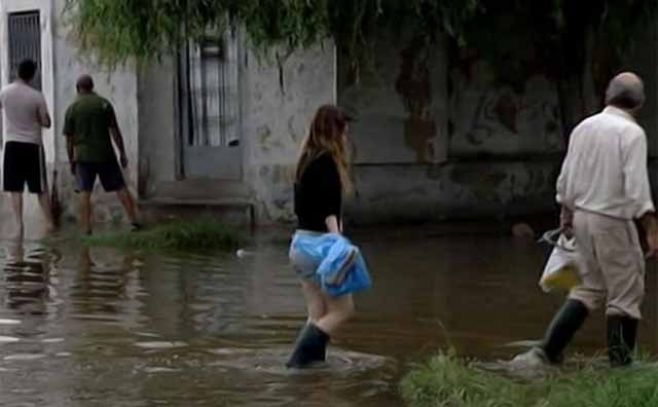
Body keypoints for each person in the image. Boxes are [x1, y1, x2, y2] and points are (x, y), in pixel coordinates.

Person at [512, 72, 658, 368]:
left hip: (582, 218)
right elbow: (636, 186)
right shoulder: (631, 133)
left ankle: (546, 352)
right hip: (612, 220)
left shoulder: (584, 128)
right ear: (639, 102)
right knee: (626, 293)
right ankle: (621, 366)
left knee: (588, 287)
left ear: (607, 96)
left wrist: (566, 215)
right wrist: (651, 227)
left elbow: (566, 177)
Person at [286, 105, 356, 368]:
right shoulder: (327, 162)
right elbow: (328, 210)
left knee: (317, 314)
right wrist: (339, 243)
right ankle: (298, 363)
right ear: (334, 132)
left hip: (300, 245)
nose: (346, 138)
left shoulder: (305, 161)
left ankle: (311, 373)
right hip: (320, 245)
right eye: (344, 132)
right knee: (342, 310)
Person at [63, 75, 140, 235]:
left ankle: (86, 228)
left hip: (83, 156)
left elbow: (69, 140)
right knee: (120, 186)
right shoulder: (104, 104)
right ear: (92, 87)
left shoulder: (72, 108)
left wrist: (71, 160)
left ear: (78, 89)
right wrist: (122, 152)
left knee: (85, 191)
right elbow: (115, 131)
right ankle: (134, 221)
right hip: (105, 153)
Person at [0, 59, 55, 237]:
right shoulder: (36, 96)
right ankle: (49, 222)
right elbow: (46, 122)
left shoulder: (5, 92)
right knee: (40, 187)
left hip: (12, 144)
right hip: (33, 146)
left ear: (17, 71)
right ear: (33, 74)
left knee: (15, 188)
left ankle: (18, 225)